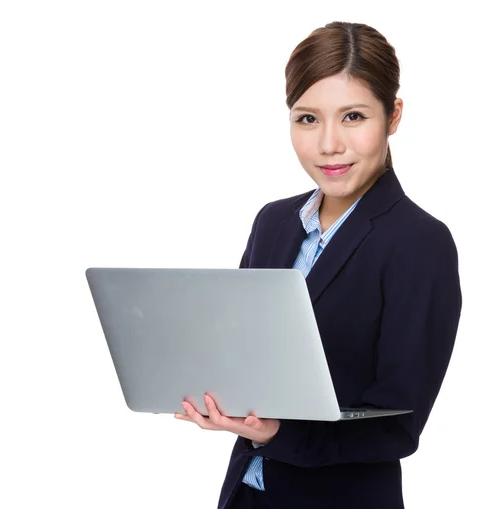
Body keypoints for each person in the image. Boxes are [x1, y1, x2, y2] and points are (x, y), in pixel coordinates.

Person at [174, 21, 462, 509]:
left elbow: (398, 430)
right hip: (246, 495)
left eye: (353, 116)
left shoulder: (420, 243)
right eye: (307, 119)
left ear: (393, 117)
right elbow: (241, 354)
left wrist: (277, 435)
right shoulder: (274, 223)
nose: (329, 144)